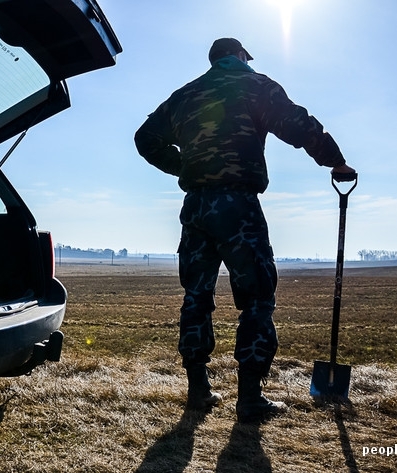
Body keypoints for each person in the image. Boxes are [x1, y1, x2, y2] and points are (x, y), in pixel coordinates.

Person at [134, 38, 356, 423]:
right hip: (239, 207)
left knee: (196, 296)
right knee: (255, 299)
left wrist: (184, 167)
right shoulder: (255, 85)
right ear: (238, 57)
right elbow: (298, 124)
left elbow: (145, 138)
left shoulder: (185, 95)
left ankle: (198, 391)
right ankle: (250, 398)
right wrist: (335, 162)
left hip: (197, 208)